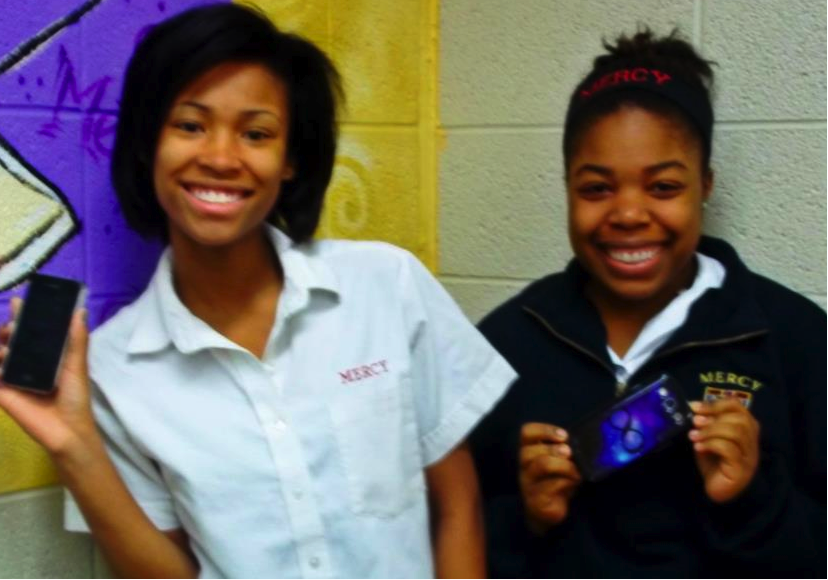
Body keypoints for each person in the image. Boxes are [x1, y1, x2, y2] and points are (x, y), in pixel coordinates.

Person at [0, 5, 516, 578]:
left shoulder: (385, 284)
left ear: (291, 158)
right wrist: (73, 445)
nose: (220, 158)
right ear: (149, 144)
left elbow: (459, 505)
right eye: (190, 125)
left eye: (256, 133)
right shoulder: (115, 370)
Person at [470, 29, 826, 578]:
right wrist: (528, 519)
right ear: (567, 187)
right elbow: (451, 536)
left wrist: (754, 500)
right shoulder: (505, 343)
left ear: (705, 184)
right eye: (596, 189)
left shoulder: (795, 339)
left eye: (662, 188)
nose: (629, 214)